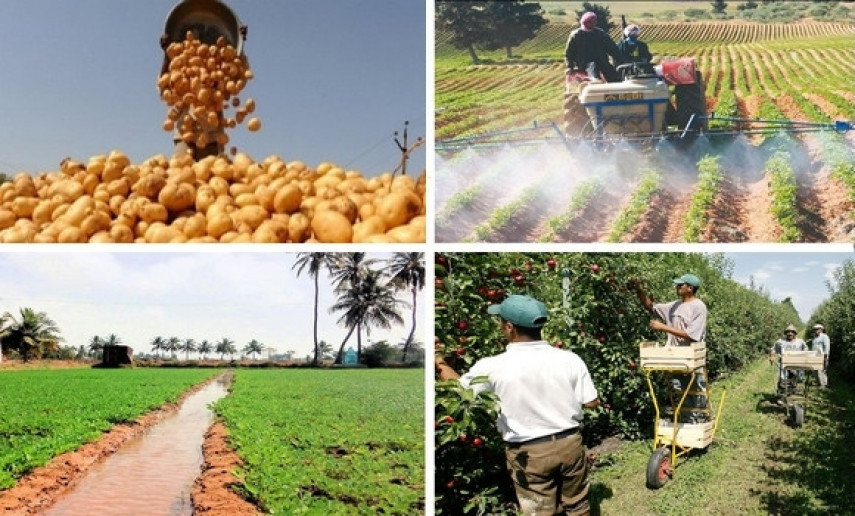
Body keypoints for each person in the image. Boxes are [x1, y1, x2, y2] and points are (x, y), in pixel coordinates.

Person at [435, 294, 600, 516]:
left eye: (501, 322)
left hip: (528, 452)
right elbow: (591, 402)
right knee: (578, 505)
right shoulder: (570, 359)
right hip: (569, 443)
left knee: (539, 511)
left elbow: (459, 392)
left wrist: (439, 361)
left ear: (510, 327)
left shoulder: (492, 366)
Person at [631, 273, 709, 423]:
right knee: (679, 391)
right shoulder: (674, 305)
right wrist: (639, 289)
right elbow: (650, 306)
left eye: (681, 285)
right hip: (675, 358)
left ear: (690, 288)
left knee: (695, 392)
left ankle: (699, 425)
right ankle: (686, 423)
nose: (677, 287)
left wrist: (663, 327)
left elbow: (692, 335)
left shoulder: (699, 307)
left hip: (691, 358)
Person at [563, 12, 624, 83]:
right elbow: (569, 53)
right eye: (590, 22)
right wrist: (569, 67)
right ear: (584, 22)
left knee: (612, 73)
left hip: (602, 61)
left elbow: (612, 48)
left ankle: (616, 87)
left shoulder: (600, 34)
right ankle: (595, 82)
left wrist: (621, 60)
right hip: (584, 63)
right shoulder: (576, 35)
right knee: (593, 66)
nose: (593, 23)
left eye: (595, 21)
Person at [769, 324, 807, 399]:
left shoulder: (800, 342)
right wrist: (772, 356)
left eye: (792, 332)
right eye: (788, 332)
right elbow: (773, 349)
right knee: (783, 382)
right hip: (784, 365)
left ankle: (790, 395)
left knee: (793, 382)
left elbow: (805, 350)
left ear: (795, 333)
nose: (790, 334)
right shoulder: (780, 342)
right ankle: (781, 397)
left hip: (796, 365)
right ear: (785, 333)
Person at [811, 323, 830, 388]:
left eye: (817, 329)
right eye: (815, 329)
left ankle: (824, 384)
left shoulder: (824, 337)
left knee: (821, 370)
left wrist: (825, 355)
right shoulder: (814, 337)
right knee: (814, 370)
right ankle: (819, 383)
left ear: (821, 330)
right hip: (815, 356)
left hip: (822, 356)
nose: (815, 330)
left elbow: (827, 346)